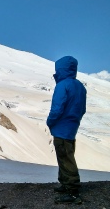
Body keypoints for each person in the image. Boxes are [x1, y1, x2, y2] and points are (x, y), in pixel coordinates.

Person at [47, 56, 87, 204]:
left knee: (65, 158)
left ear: (61, 69)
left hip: (61, 128)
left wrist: (50, 122)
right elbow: (82, 109)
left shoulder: (63, 85)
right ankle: (65, 184)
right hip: (71, 127)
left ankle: (72, 190)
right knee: (66, 155)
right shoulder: (80, 86)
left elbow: (57, 108)